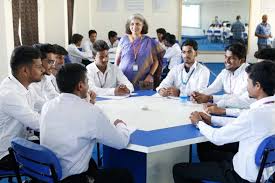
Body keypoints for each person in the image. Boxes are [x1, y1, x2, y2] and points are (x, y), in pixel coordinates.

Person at [173, 61, 275, 183]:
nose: (246, 85)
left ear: (257, 85)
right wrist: (212, 119)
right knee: (205, 147)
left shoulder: (253, 115)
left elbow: (218, 137)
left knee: (179, 169)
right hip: (264, 169)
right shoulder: (266, 109)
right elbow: (242, 122)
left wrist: (198, 123)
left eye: (247, 82)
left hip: (241, 175)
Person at [40, 63, 134, 183]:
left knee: (91, 163)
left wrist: (87, 105)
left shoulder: (47, 106)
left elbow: (70, 120)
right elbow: (121, 142)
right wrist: (120, 125)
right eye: (87, 82)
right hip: (72, 178)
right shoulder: (90, 112)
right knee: (124, 175)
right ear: (80, 86)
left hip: (48, 173)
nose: (89, 86)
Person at [0, 46, 44, 170]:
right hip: (6, 153)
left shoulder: (26, 86)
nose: (43, 69)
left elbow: (45, 105)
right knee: (57, 157)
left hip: (22, 143)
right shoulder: (9, 94)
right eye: (38, 66)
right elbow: (37, 123)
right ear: (25, 70)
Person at [115, 13, 164, 89]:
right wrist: (116, 76)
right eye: (132, 24)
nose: (134, 26)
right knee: (124, 99)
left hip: (144, 80)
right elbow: (117, 60)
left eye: (138, 24)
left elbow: (156, 61)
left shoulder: (149, 41)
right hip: (124, 78)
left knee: (144, 99)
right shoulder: (123, 39)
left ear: (143, 26)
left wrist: (150, 75)